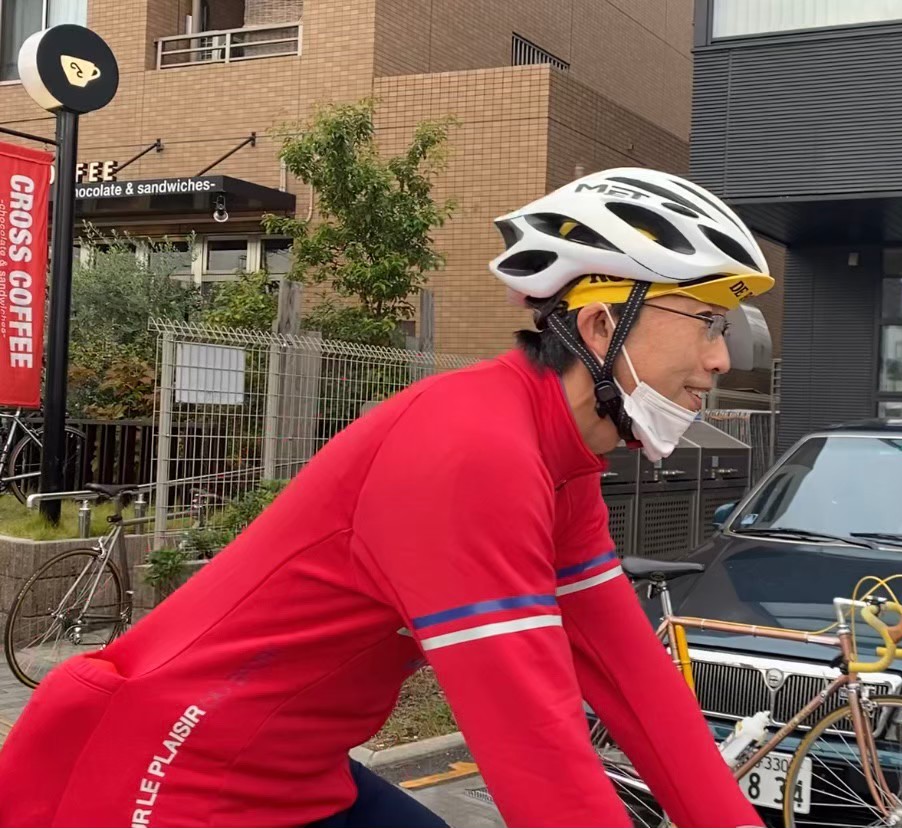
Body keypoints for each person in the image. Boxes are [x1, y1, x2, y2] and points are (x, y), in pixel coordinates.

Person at [0, 167, 775, 828]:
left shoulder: (560, 463)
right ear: (603, 325)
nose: (721, 359)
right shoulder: (472, 450)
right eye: (709, 322)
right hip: (171, 777)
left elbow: (637, 686)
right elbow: (538, 752)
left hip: (295, 775)